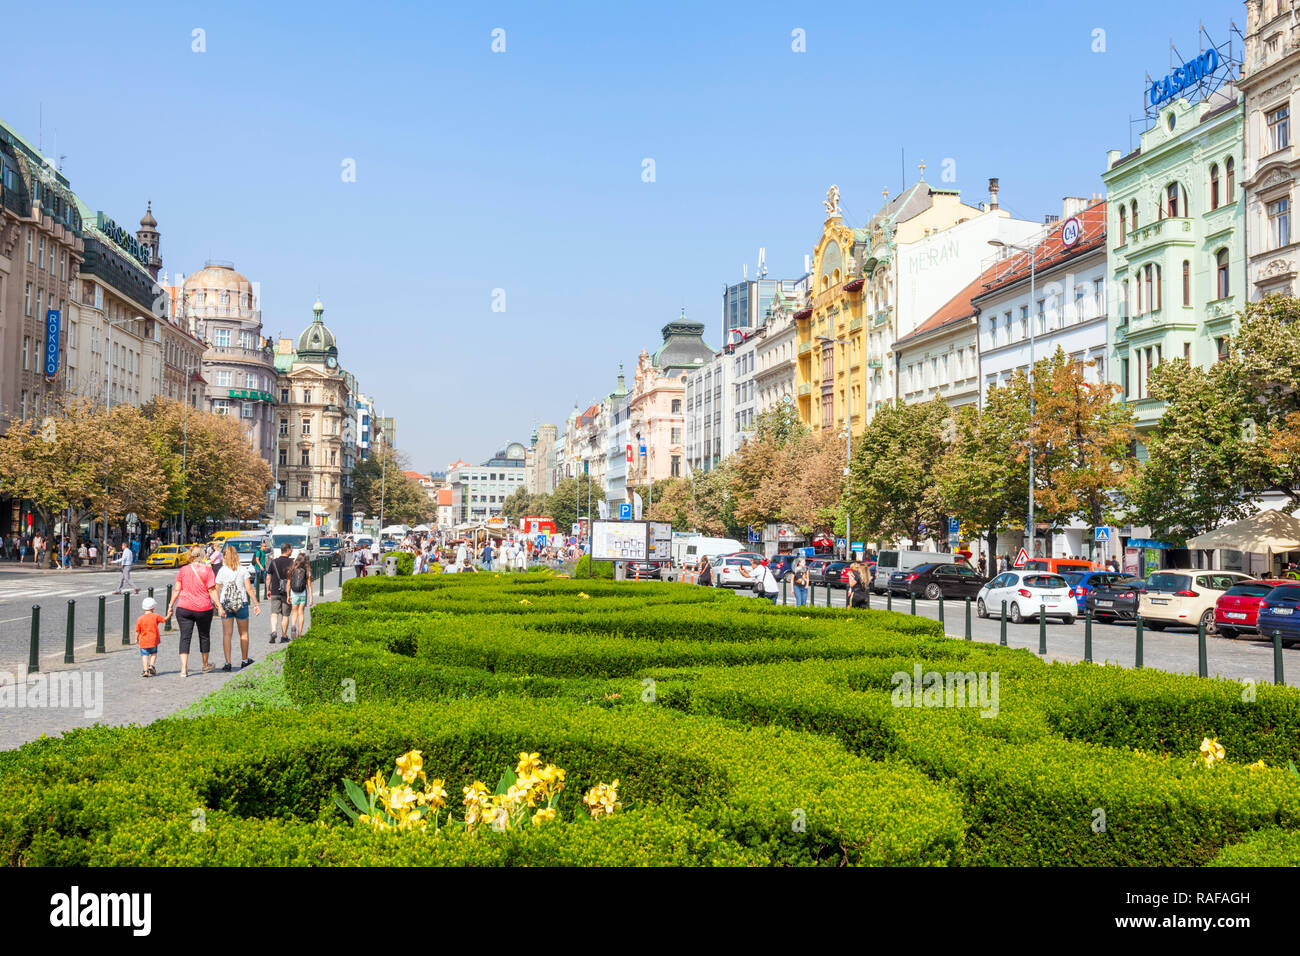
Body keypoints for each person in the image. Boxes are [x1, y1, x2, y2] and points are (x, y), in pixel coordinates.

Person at [165, 545, 220, 677]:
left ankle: (183, 669)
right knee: (204, 636)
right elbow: (212, 590)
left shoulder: (183, 570)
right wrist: (219, 605)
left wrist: (171, 604)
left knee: (185, 637)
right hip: (203, 608)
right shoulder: (207, 570)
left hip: (184, 608)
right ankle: (205, 665)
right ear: (202, 556)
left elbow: (177, 589)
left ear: (191, 556)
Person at [216, 545, 260, 671]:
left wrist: (218, 605)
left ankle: (228, 663)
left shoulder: (222, 571)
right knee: (244, 633)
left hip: (226, 604)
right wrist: (256, 604)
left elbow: (216, 589)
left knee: (227, 634)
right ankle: (244, 660)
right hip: (242, 604)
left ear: (225, 557)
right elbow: (249, 589)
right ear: (237, 556)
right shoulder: (242, 570)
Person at [267, 543, 295, 643]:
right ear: (287, 551)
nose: (291, 551)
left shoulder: (274, 562)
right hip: (286, 592)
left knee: (274, 613)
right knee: (285, 614)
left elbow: (268, 577)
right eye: (291, 549)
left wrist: (268, 589)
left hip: (274, 590)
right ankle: (283, 636)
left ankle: (274, 631)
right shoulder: (292, 562)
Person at [135, 597, 167, 677]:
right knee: (154, 653)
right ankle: (151, 665)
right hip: (154, 640)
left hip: (144, 640)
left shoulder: (140, 619)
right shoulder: (155, 616)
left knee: (144, 655)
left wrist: (136, 639)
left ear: (143, 607)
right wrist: (169, 614)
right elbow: (164, 620)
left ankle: (145, 671)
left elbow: (137, 631)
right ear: (153, 607)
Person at [287, 552, 313, 640]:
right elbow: (309, 585)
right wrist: (311, 598)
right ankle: (299, 633)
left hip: (294, 593)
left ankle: (293, 626)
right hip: (302, 593)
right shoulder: (307, 570)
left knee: (294, 612)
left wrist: (288, 595)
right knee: (301, 613)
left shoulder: (292, 568)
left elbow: (288, 583)